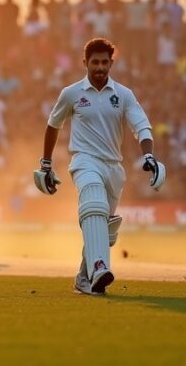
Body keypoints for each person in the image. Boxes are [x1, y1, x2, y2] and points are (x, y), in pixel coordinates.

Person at [36, 37, 164, 296]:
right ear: (85, 62)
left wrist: (149, 156)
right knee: (93, 203)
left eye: (105, 62)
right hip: (84, 160)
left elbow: (141, 126)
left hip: (113, 167)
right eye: (95, 62)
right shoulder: (72, 93)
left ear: (111, 63)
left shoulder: (123, 94)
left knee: (102, 226)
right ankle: (99, 267)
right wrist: (46, 163)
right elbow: (54, 125)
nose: (100, 67)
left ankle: (84, 279)